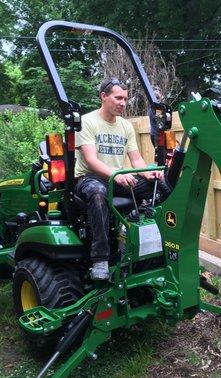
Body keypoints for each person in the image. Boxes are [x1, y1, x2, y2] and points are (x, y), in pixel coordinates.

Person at [74, 78, 163, 280]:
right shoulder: (87, 122)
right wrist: (116, 174)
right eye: (118, 98)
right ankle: (100, 259)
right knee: (98, 193)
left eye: (125, 98)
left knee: (160, 186)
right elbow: (91, 160)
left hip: (118, 177)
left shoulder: (126, 126)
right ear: (103, 97)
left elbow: (136, 159)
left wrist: (148, 173)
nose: (123, 103)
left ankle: (156, 244)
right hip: (90, 178)